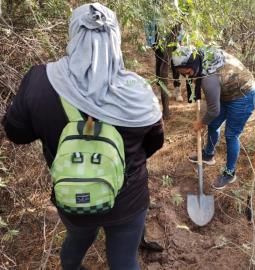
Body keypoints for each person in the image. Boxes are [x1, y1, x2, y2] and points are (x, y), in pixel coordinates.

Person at [2, 3, 164, 269]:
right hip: (129, 200)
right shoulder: (138, 91)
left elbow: (16, 133)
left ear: (73, 34)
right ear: (116, 37)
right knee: (124, 260)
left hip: (72, 195)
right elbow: (155, 142)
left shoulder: (39, 80)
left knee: (76, 241)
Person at [172, 46, 255, 189]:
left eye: (185, 72)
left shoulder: (208, 78)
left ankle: (229, 173)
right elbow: (214, 109)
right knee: (213, 124)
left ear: (191, 64)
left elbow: (213, 110)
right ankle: (208, 155)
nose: (185, 75)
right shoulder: (200, 56)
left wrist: (201, 122)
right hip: (228, 91)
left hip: (244, 95)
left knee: (231, 135)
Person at [145, 0, 195, 118]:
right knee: (160, 65)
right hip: (158, 42)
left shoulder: (174, 5)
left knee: (175, 65)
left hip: (173, 41)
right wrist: (151, 42)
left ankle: (177, 90)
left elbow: (180, 23)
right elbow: (148, 25)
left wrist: (179, 40)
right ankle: (160, 90)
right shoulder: (153, 7)